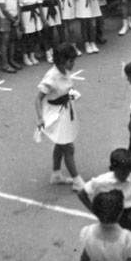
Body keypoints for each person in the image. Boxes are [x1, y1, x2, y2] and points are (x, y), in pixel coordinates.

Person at [34, 42, 84, 191]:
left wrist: (72, 94)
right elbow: (38, 99)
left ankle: (56, 174)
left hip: (65, 111)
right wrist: (39, 118)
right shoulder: (51, 77)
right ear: (62, 61)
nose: (73, 63)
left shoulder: (65, 70)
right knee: (68, 147)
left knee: (61, 143)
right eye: (71, 61)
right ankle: (77, 181)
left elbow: (67, 87)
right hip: (55, 115)